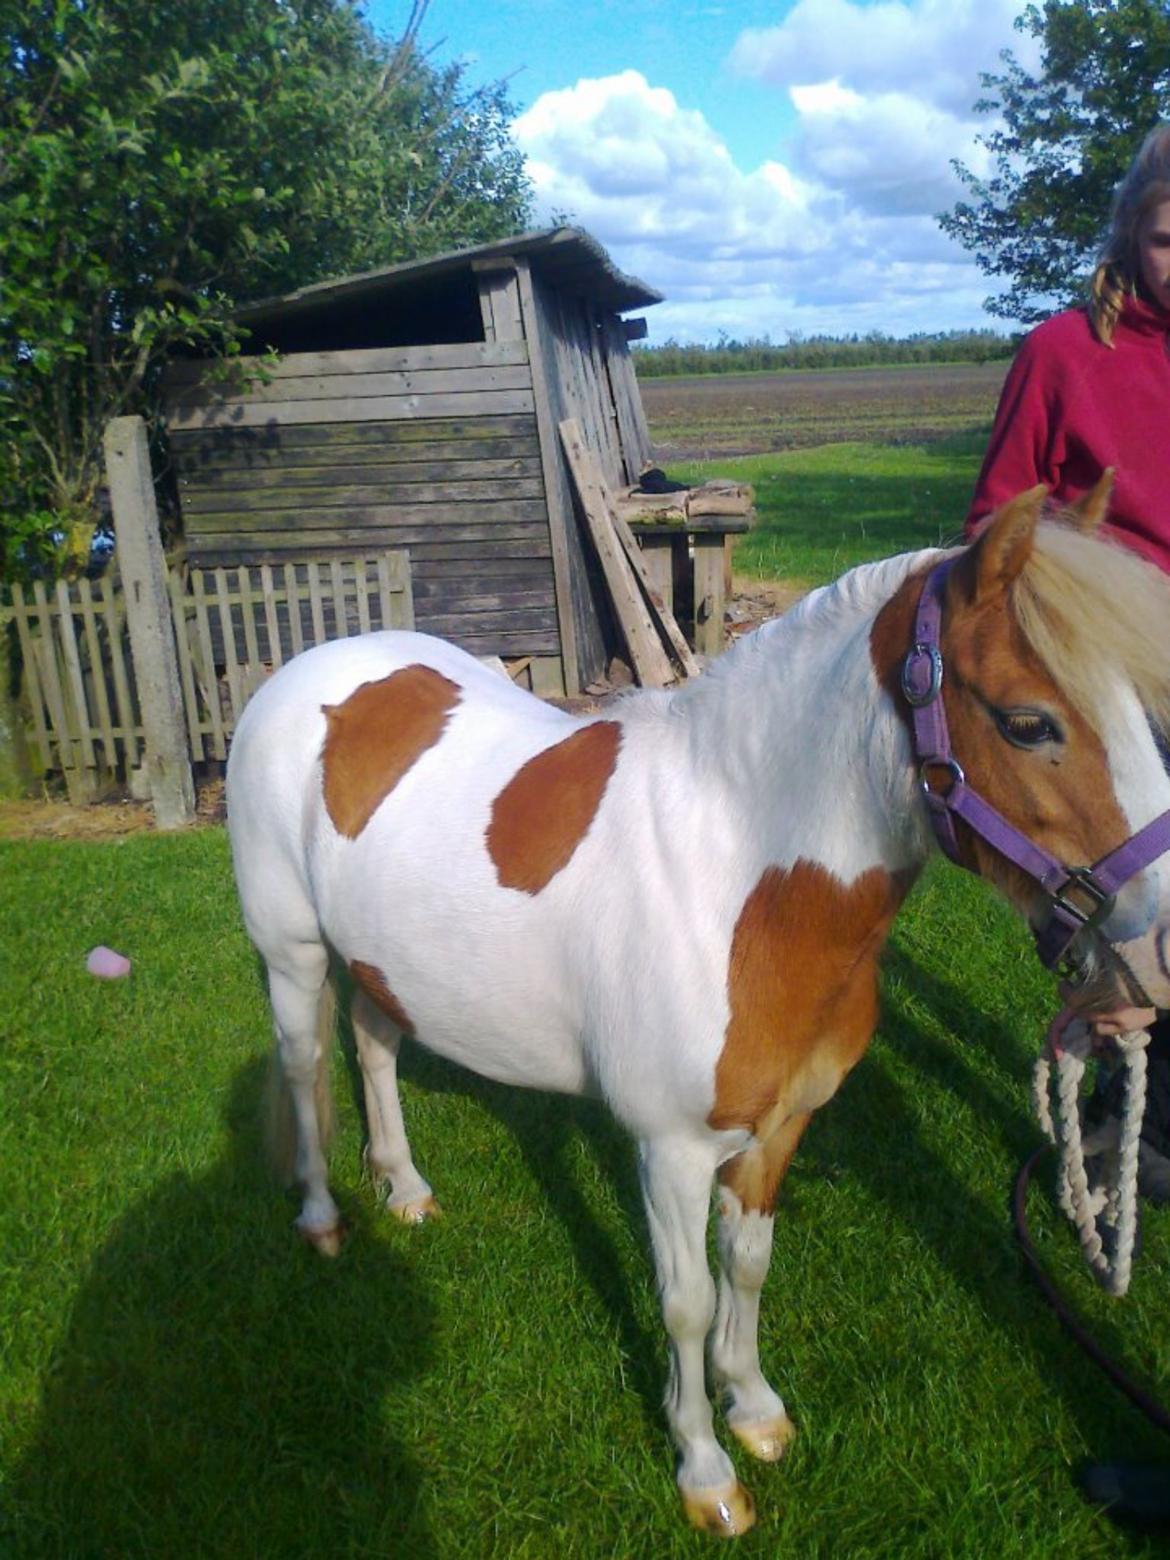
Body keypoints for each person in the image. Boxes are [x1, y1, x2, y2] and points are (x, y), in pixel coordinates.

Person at [966, 123, 1170, 1528]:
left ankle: (1145, 1118)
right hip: (1121, 684)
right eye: (1169, 231)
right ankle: (1137, 1111)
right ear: (1125, 232)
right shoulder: (1059, 352)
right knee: (1137, 930)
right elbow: (998, 521)